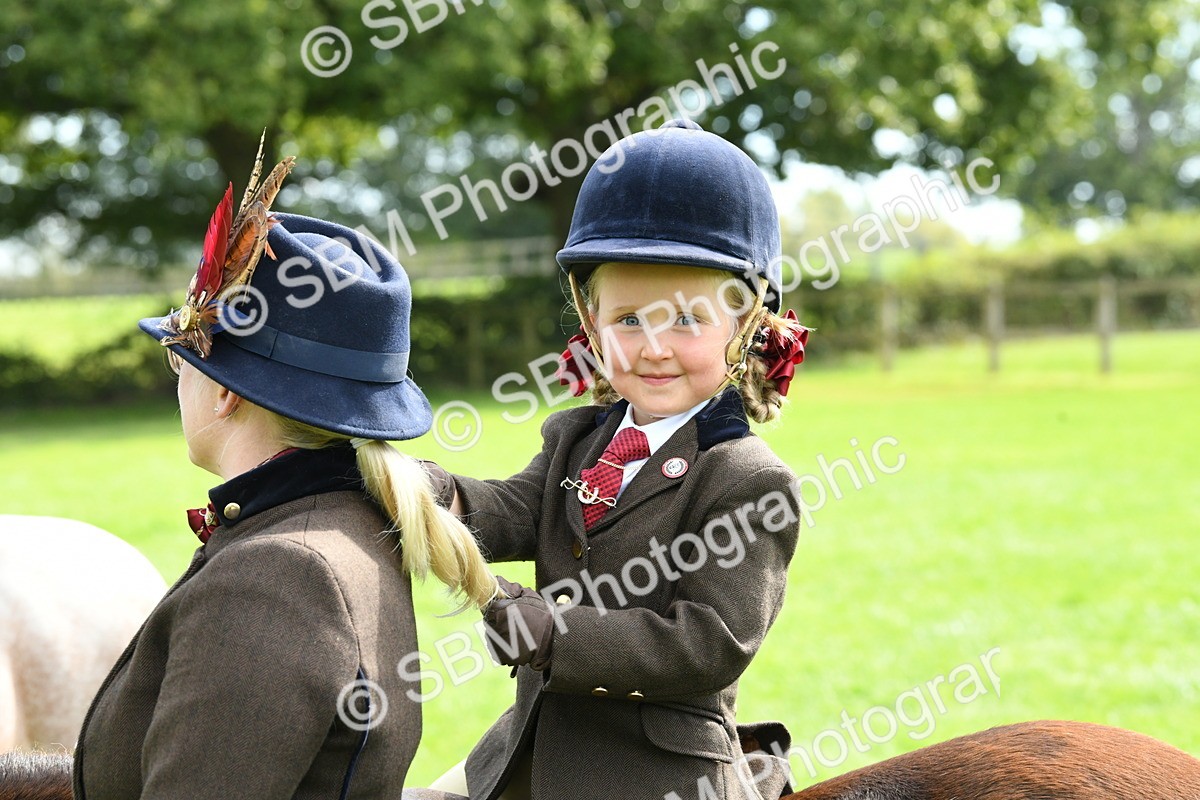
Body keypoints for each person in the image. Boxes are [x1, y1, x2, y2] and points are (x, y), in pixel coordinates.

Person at [71, 149, 497, 800]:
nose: (177, 375)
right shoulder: (347, 524)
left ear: (228, 393)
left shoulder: (273, 581)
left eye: (181, 356)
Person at [423, 119, 810, 800]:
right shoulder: (579, 437)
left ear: (745, 323)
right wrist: (441, 493)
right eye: (628, 319)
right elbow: (516, 511)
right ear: (591, 322)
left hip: (656, 773)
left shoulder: (748, 479)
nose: (653, 346)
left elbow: (708, 641)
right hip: (528, 752)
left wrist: (555, 634)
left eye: (686, 320)